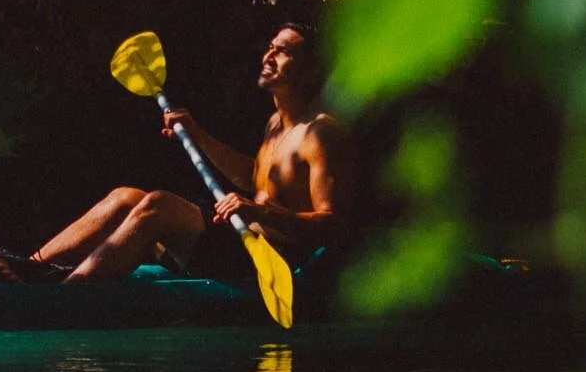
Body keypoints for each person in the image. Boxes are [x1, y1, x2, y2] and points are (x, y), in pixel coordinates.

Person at [32, 21, 352, 282]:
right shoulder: (275, 123)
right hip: (238, 240)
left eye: (283, 53)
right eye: (270, 47)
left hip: (269, 259)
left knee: (161, 204)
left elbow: (331, 224)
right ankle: (29, 268)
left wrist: (256, 212)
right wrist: (198, 135)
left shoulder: (322, 133)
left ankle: (70, 294)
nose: (269, 56)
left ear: (311, 72)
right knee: (125, 197)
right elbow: (257, 177)